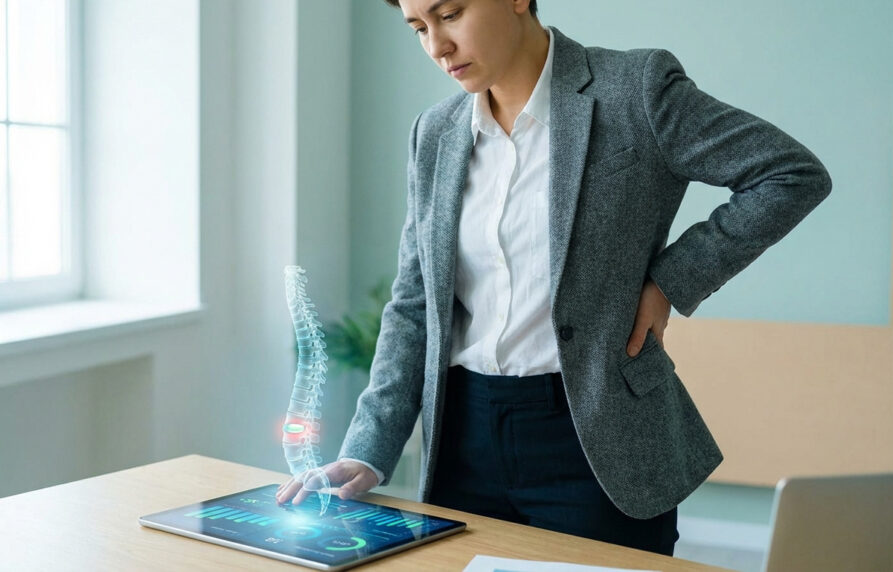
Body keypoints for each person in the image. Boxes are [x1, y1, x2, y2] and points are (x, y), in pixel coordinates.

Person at [277, 0, 830, 556]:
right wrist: (368, 448)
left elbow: (789, 173)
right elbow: (414, 303)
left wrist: (670, 281)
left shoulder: (635, 91)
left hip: (597, 441)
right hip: (462, 440)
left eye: (450, 14)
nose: (437, 46)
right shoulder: (436, 132)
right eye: (419, 27)